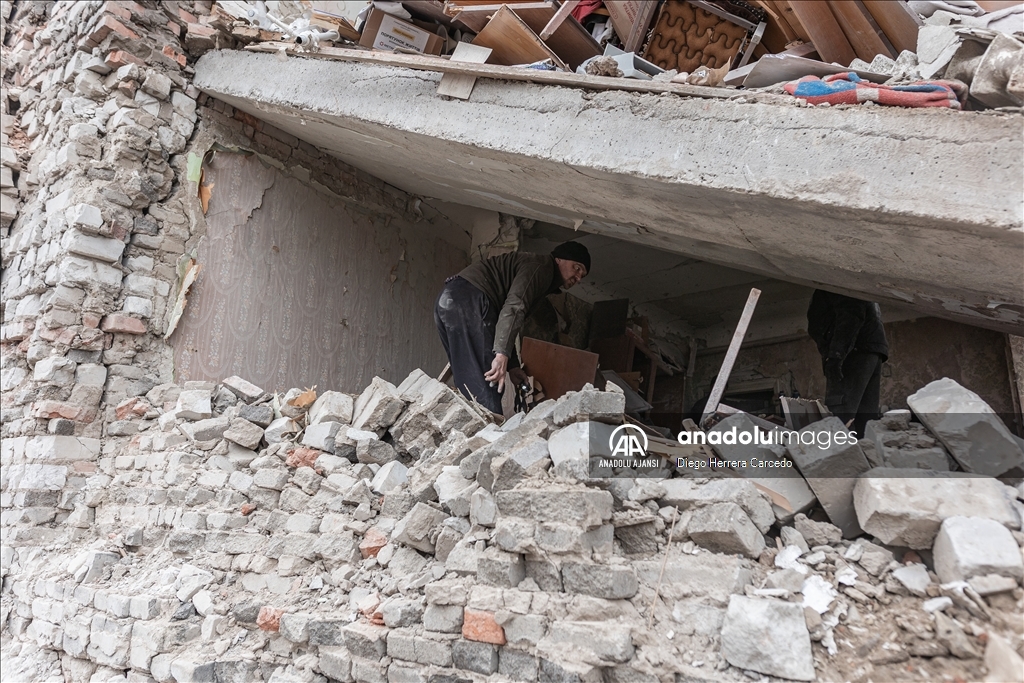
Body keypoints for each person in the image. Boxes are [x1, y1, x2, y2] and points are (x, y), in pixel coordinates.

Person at [434, 242, 591, 415]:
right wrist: (501, 355)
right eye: (577, 268)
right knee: (488, 382)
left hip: (449, 299)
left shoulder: (539, 272)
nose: (578, 277)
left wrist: (513, 366)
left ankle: (465, 430)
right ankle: (485, 437)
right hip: (469, 302)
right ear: (559, 259)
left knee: (468, 378)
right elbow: (514, 307)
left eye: (582, 275)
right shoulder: (542, 267)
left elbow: (502, 317)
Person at [806, 289, 889, 437]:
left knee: (839, 415)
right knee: (866, 421)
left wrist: (836, 355)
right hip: (869, 349)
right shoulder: (851, 283)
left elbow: (851, 314)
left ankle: (839, 457)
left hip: (853, 352)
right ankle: (868, 457)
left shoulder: (832, 279)